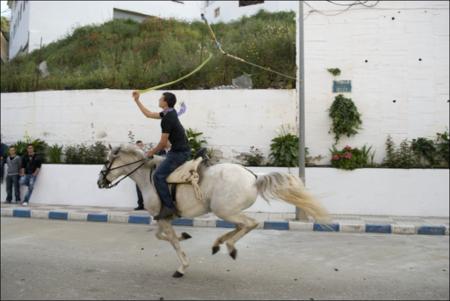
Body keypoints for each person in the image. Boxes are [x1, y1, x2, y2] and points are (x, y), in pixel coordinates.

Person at [132, 91, 190, 220]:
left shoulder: (167, 119)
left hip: (179, 153)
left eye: (160, 99)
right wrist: (137, 100)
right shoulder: (169, 112)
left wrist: (150, 152)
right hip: (178, 151)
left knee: (158, 176)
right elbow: (149, 114)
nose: (158, 100)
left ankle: (169, 207)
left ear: (165, 102)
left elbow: (163, 143)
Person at [134, 140, 145, 210]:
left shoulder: (145, 154)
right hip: (138, 175)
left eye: (141, 145)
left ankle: (145, 205)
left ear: (142, 145)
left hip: (144, 175)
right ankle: (140, 205)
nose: (139, 146)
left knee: (145, 191)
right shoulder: (135, 155)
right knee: (139, 191)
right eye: (138, 145)